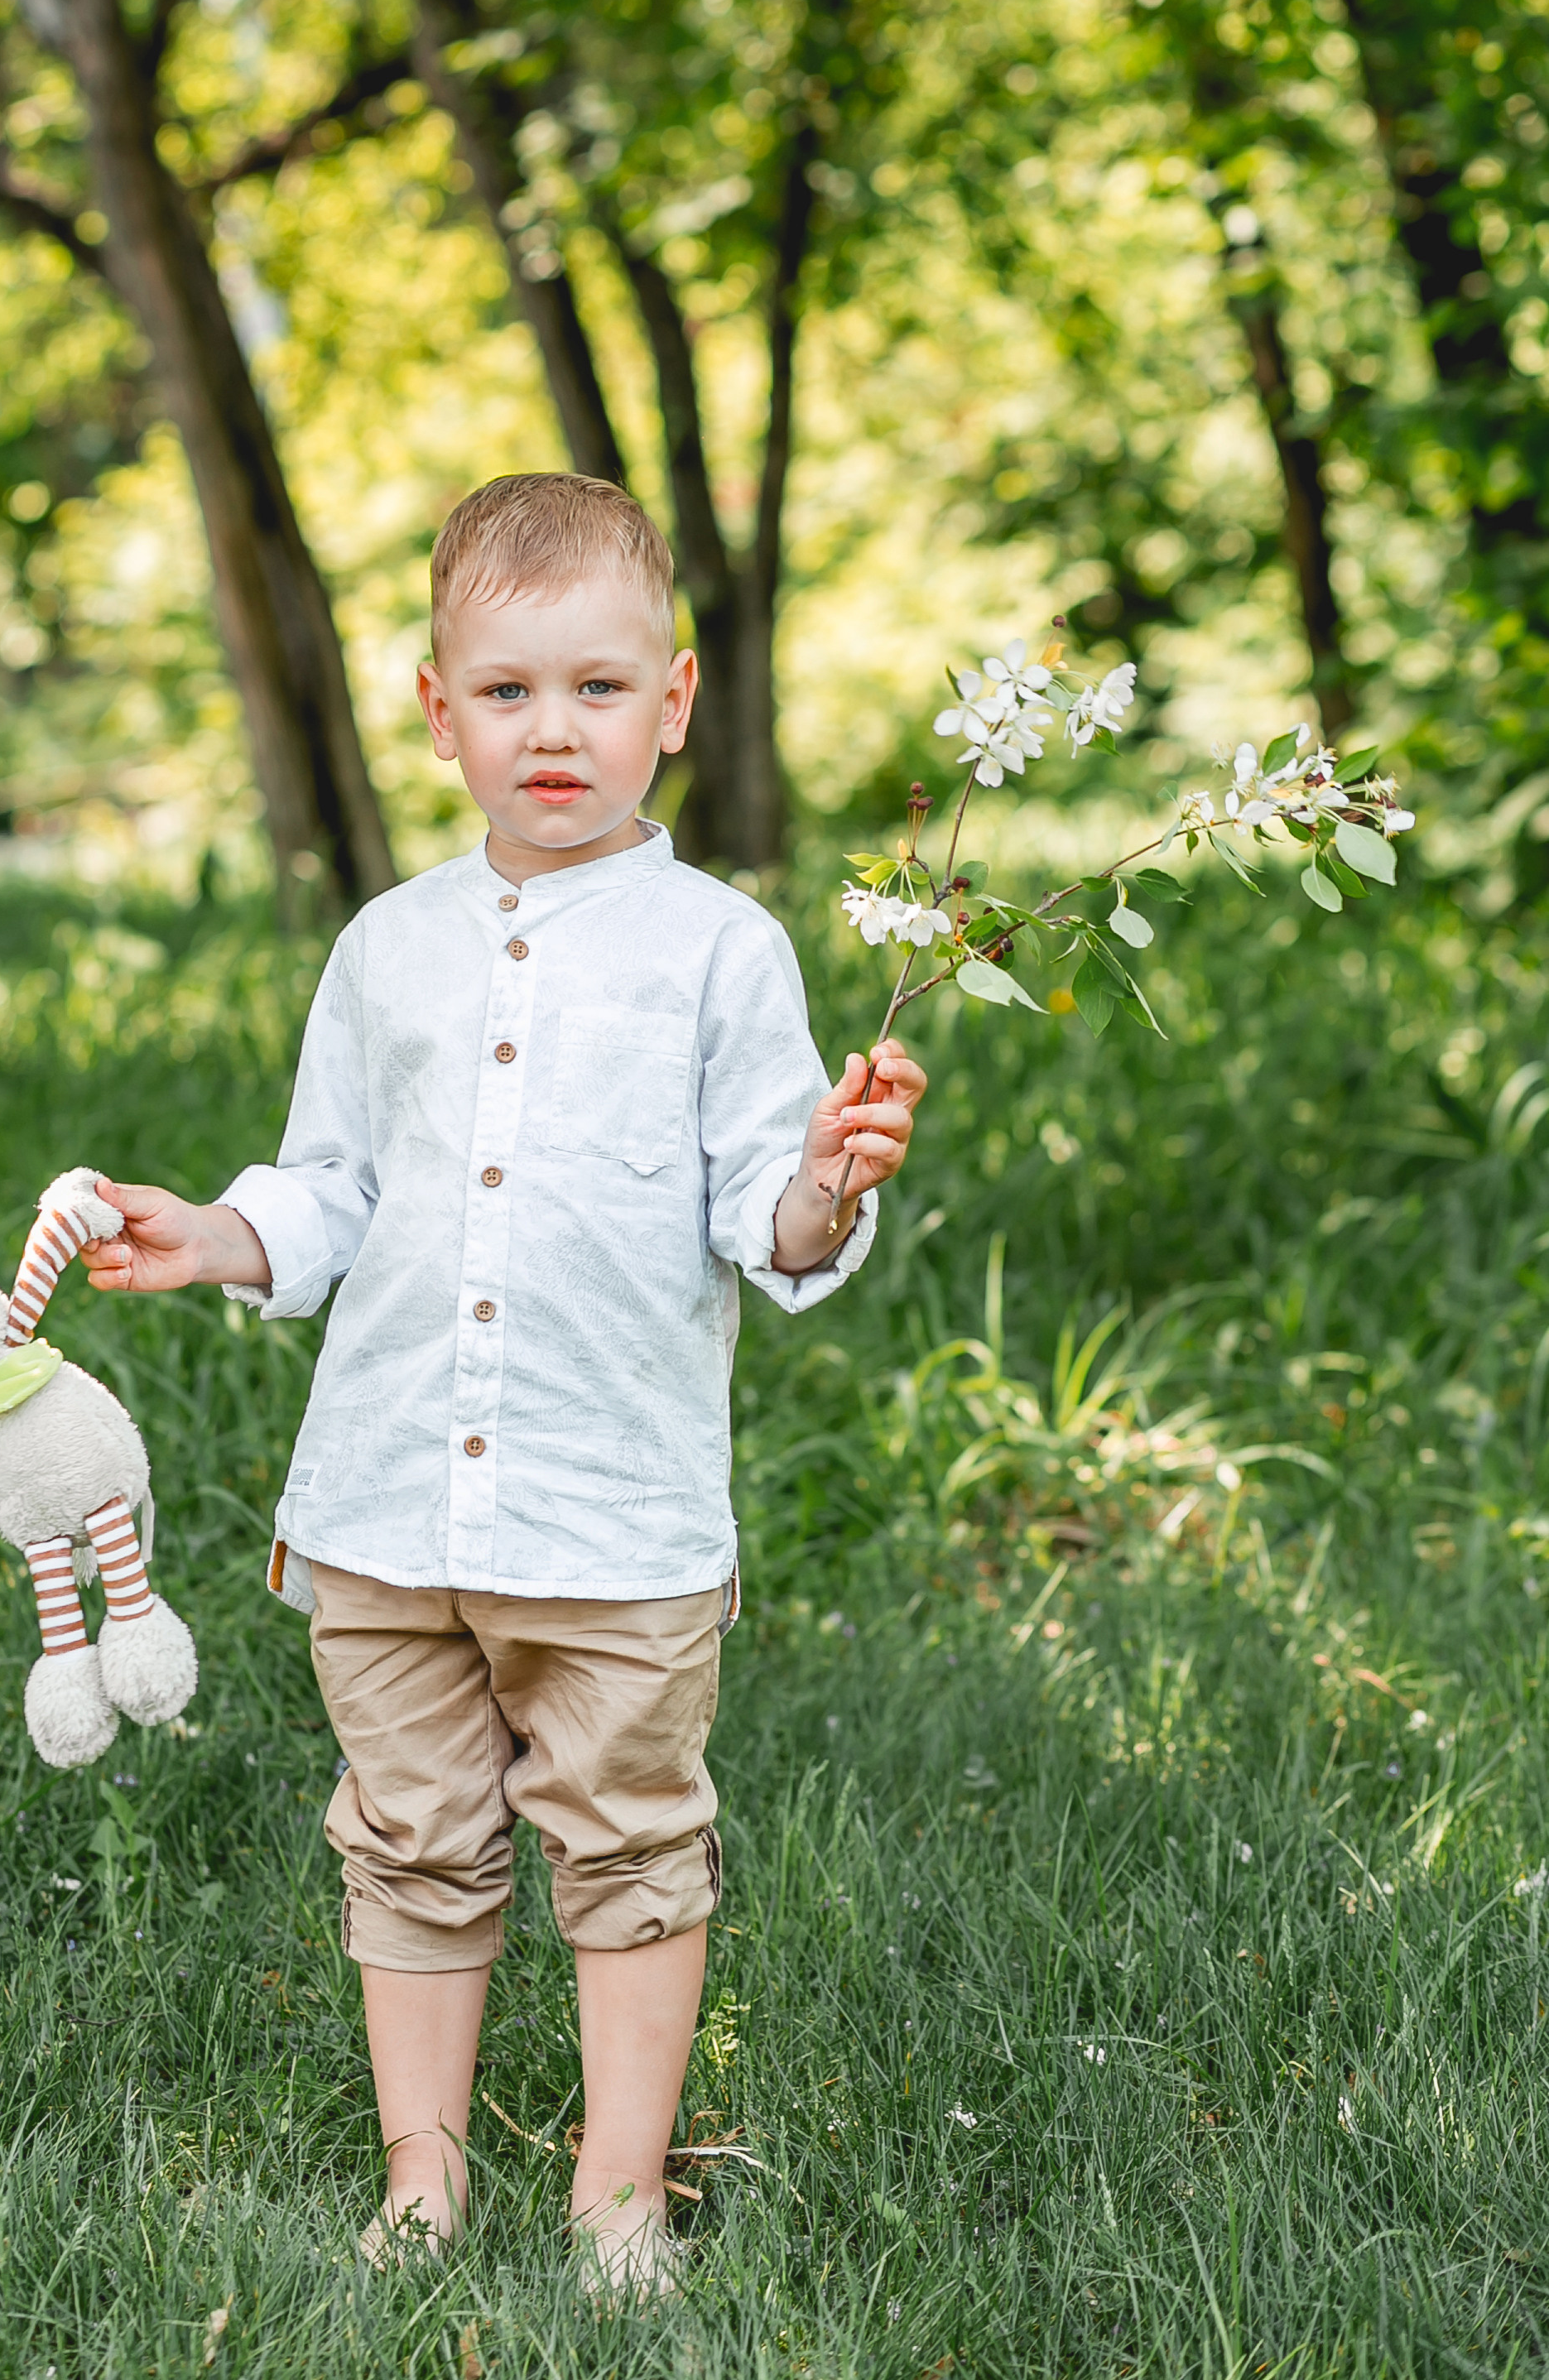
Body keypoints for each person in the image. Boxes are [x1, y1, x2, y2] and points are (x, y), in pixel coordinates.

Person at [80, 473, 926, 2292]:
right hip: (388, 1504)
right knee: (408, 1843)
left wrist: (826, 1182)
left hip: (611, 1517)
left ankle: (618, 2194)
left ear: (674, 701)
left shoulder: (721, 952)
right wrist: (217, 1234)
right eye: (509, 689)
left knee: (628, 1845)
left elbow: (761, 1219)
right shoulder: (387, 947)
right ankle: (423, 2179)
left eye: (599, 688)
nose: (555, 730)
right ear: (436, 707)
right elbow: (333, 1184)